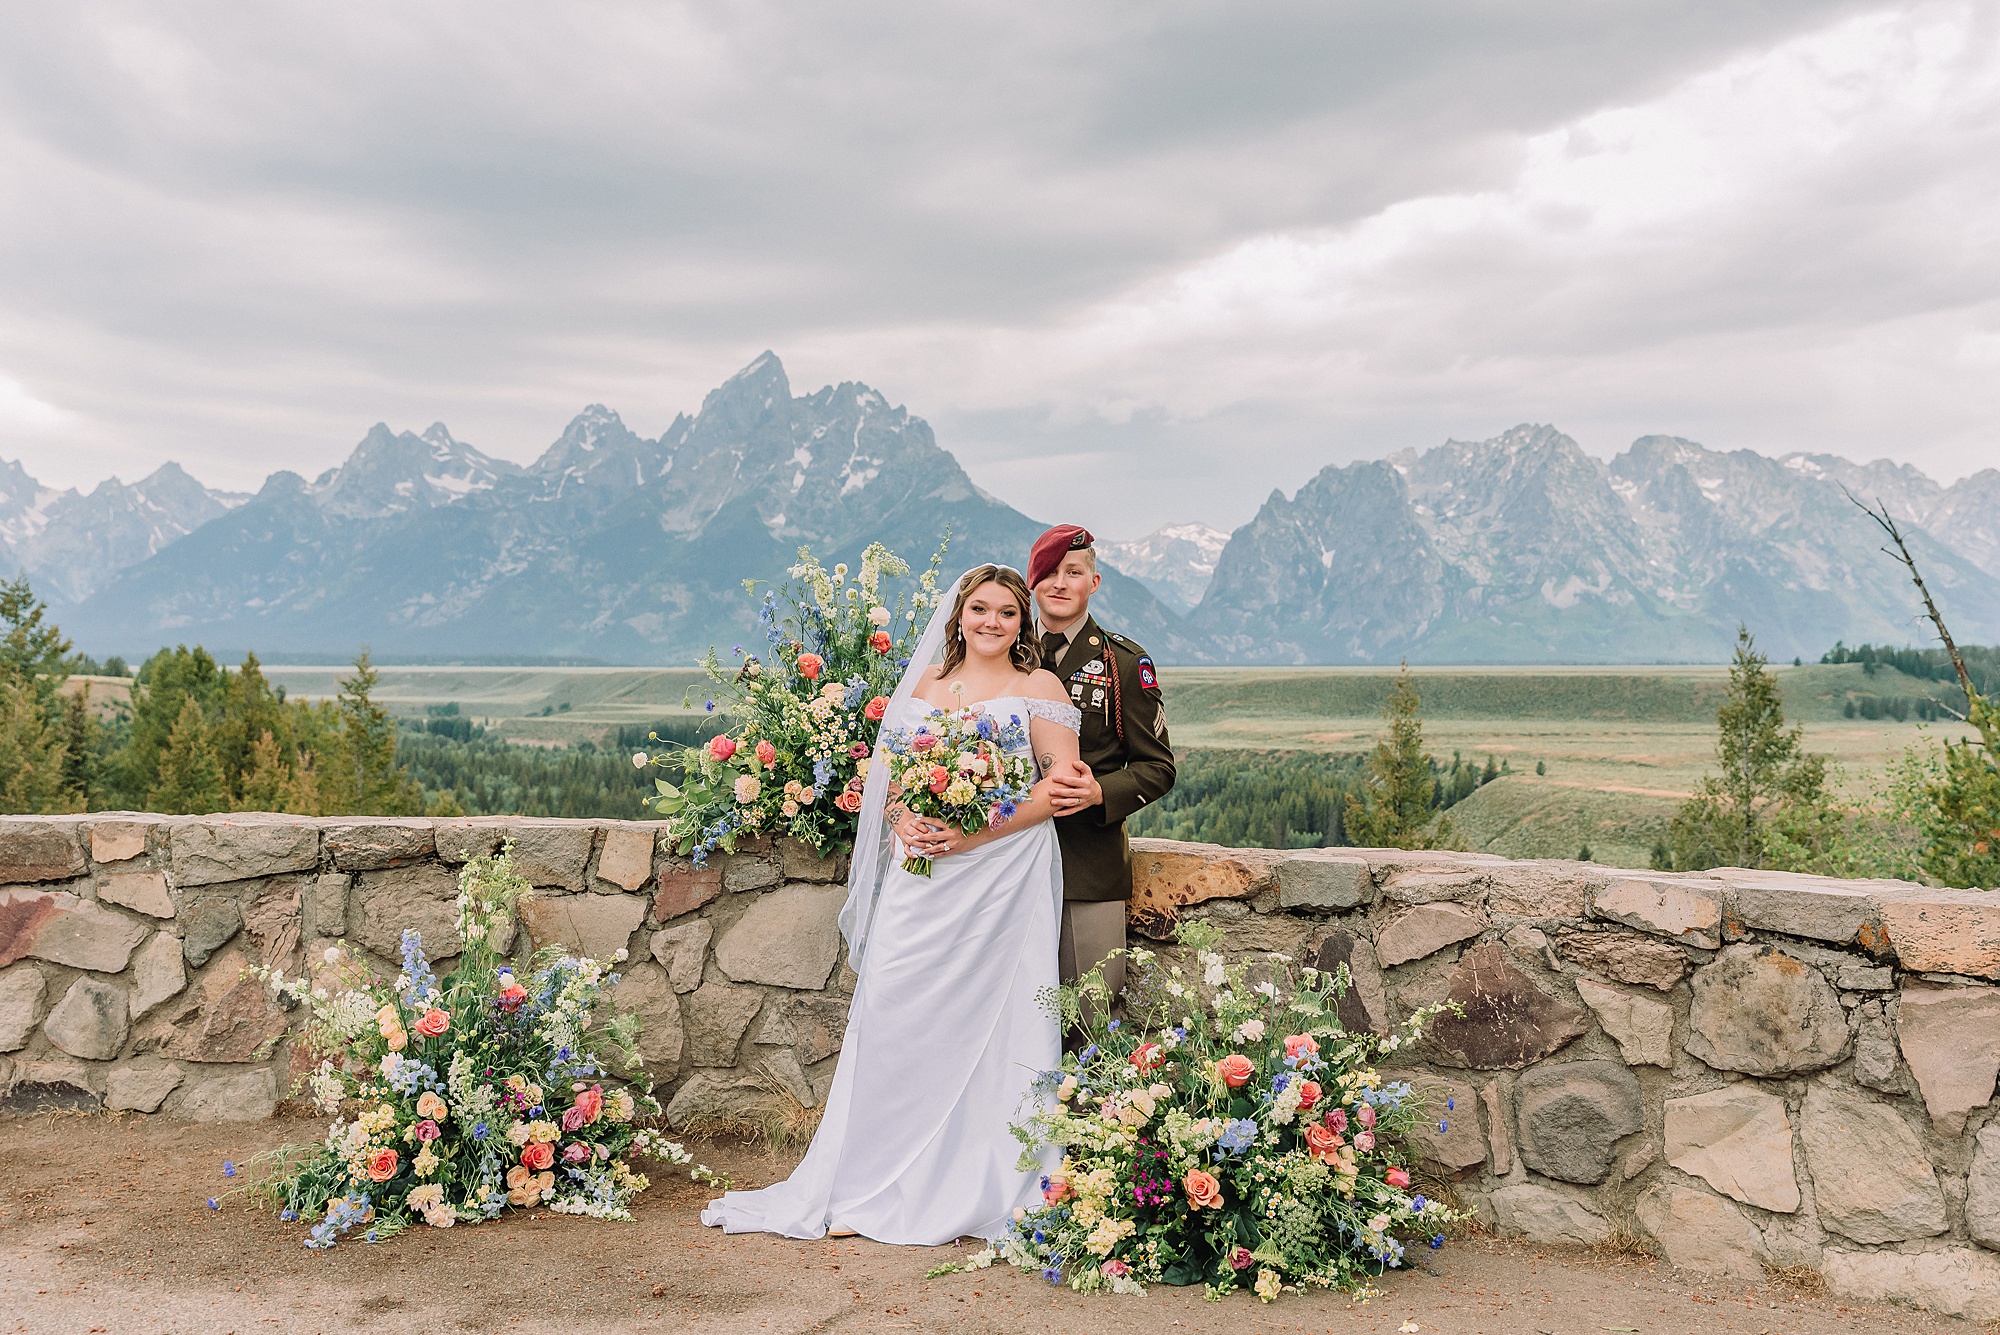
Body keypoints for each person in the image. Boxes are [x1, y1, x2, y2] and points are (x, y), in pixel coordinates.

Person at [700, 563, 1086, 1245]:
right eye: (980, 610)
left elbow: (1058, 787)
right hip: (922, 872)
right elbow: (898, 779)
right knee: (894, 1008)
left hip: (1003, 874)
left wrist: (974, 830)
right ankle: (868, 1177)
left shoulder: (1039, 687)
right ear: (957, 615)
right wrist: (908, 818)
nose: (992, 622)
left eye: (1006, 612)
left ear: (1023, 622)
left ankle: (986, 1177)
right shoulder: (928, 684)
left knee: (999, 1020)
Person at [1028, 524, 1177, 1004]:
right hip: (1001, 857)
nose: (1059, 583)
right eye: (1048, 572)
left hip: (1085, 863)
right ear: (1033, 581)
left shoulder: (1124, 664)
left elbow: (1158, 767)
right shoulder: (1003, 652)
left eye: (1073, 572)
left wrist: (1099, 793)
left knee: (1090, 1005)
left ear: (1093, 583)